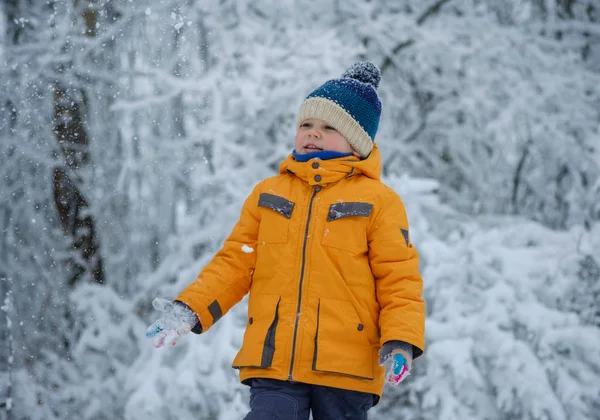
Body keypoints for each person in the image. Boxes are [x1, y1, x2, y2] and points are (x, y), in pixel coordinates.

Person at [146, 61, 426, 420]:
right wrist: (190, 308)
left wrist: (401, 339)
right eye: (306, 124)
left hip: (347, 365)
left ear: (357, 141)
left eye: (328, 127)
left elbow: (399, 279)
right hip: (274, 359)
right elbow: (235, 262)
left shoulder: (379, 201)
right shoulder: (268, 193)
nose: (313, 133)